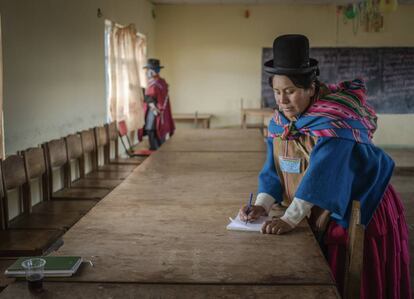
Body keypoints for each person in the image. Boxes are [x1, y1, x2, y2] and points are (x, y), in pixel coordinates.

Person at [239, 34, 411, 298]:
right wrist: (262, 206)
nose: (282, 101)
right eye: (276, 92)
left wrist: (289, 219)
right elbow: (274, 170)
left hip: (360, 203)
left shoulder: (336, 120)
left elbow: (323, 174)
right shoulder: (280, 123)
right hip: (319, 204)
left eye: (291, 91)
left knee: (347, 278)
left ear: (310, 87)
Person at [143, 58, 175, 150]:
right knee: (152, 130)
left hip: (156, 110)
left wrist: (154, 109)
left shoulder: (159, 83)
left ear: (155, 71)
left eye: (149, 70)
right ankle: (155, 149)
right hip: (154, 110)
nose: (148, 72)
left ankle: (156, 150)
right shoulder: (156, 82)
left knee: (153, 129)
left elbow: (150, 97)